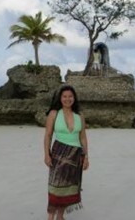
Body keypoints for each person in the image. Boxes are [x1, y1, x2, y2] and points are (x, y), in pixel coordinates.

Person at [44, 85, 89, 220]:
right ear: (60, 98)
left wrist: (86, 156)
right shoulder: (54, 114)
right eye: (65, 96)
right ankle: (51, 217)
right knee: (55, 186)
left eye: (70, 96)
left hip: (75, 156)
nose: (67, 99)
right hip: (58, 154)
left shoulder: (79, 116)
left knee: (67, 188)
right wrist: (46, 154)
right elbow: (48, 136)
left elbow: (83, 137)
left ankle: (60, 216)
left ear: (74, 98)